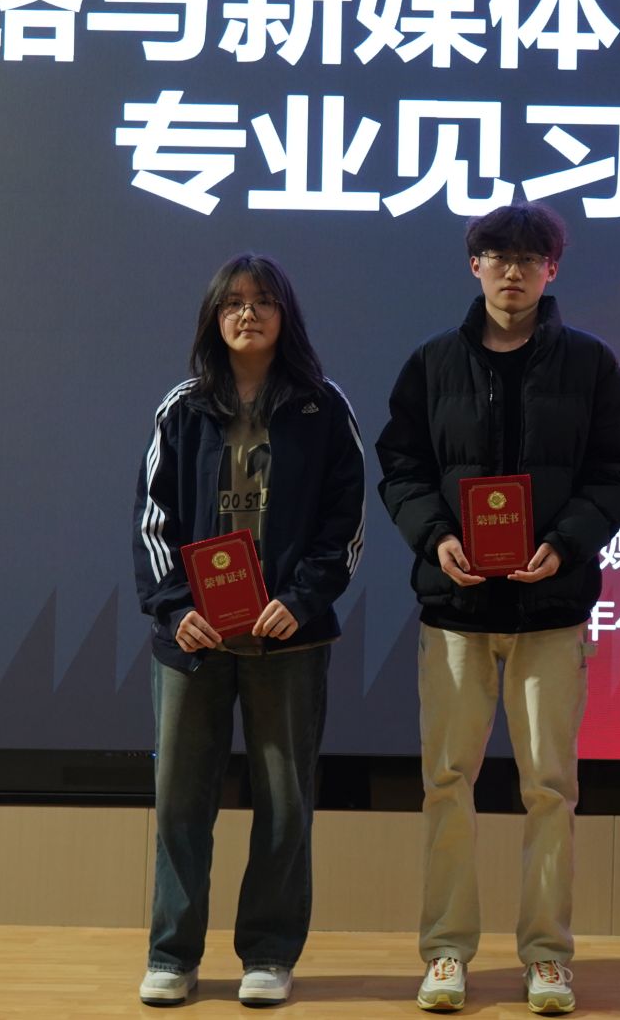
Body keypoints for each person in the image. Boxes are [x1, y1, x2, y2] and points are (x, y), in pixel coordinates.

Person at [377, 201, 620, 1016]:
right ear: (475, 265)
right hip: (455, 609)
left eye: (530, 258)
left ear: (552, 269)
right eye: (498, 256)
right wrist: (434, 537)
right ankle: (446, 950)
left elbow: (616, 469)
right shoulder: (432, 363)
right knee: (447, 782)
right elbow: (401, 465)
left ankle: (547, 956)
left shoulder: (590, 364)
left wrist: (566, 542)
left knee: (550, 788)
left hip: (550, 611)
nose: (513, 271)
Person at [132, 254, 366, 1009]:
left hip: (287, 638)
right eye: (233, 302)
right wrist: (176, 608)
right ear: (214, 317)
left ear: (285, 315)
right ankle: (172, 954)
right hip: (193, 642)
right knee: (180, 802)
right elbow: (154, 520)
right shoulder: (182, 407)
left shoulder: (323, 406)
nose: (247, 313)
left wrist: (301, 598)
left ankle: (268, 952)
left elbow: (345, 522)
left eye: (263, 301)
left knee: (285, 800)